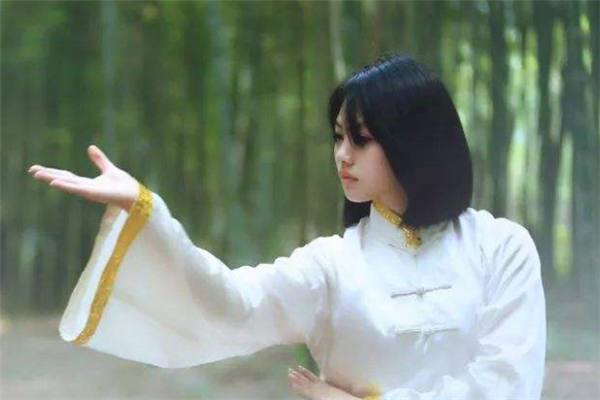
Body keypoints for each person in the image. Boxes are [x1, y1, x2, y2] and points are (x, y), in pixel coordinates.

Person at [28, 53, 546, 400]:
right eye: (338, 136)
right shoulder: (331, 266)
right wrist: (148, 212)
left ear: (414, 140)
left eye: (361, 139)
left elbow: (509, 385)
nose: (342, 155)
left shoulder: (501, 248)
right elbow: (231, 303)